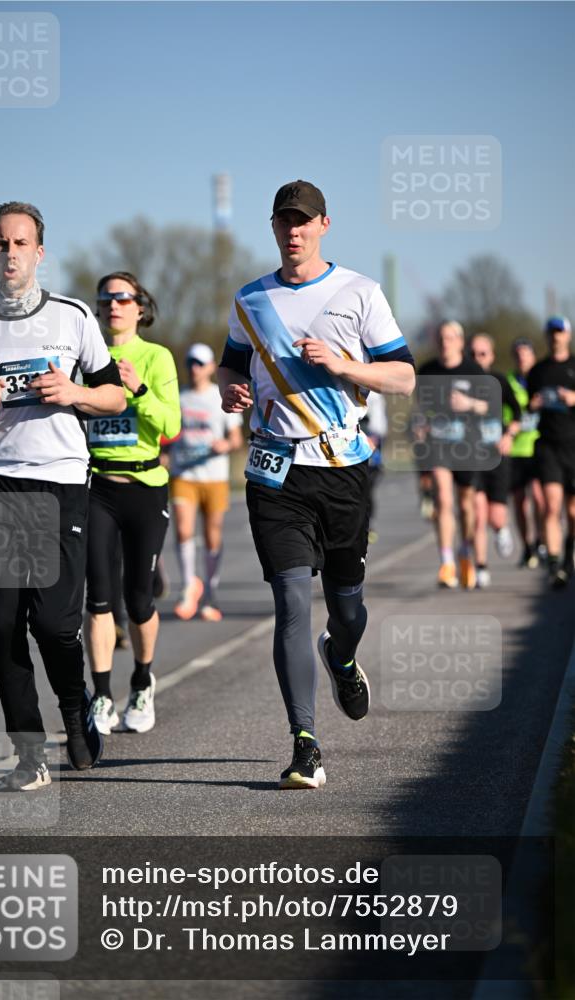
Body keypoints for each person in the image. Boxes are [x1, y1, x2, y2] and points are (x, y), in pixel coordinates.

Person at [218, 180, 415, 789]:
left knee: (347, 606)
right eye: (284, 221)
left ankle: (343, 653)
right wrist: (231, 387)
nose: (293, 231)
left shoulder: (359, 291)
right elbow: (231, 361)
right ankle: (305, 742)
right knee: (290, 601)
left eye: (303, 221)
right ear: (273, 226)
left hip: (343, 470)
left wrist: (344, 365)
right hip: (275, 471)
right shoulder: (251, 299)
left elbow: (404, 376)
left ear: (324, 224)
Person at [0, 201, 126, 790]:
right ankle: (28, 752)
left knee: (55, 623)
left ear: (39, 252)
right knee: (1, 628)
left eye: (21, 243)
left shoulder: (71, 318)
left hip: (60, 481)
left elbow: (116, 399)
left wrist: (73, 392)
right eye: (0, 244)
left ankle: (75, 709)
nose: (10, 253)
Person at [84, 271, 181, 735]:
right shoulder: (86, 356)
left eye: (123, 298)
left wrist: (138, 389)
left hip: (145, 486)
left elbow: (173, 426)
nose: (113, 306)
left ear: (141, 307)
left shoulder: (156, 357)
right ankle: (101, 694)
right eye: (105, 300)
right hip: (96, 487)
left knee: (138, 599)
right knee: (98, 597)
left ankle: (142, 680)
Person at [168, 342, 244, 621]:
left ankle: (210, 593)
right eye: (190, 362)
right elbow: (170, 434)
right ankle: (189, 585)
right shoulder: (179, 397)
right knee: (183, 529)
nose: (194, 368)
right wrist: (165, 455)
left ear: (212, 367)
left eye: (200, 363)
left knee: (212, 536)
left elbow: (236, 438)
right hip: (184, 474)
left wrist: (225, 445)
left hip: (214, 476)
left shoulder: (220, 397)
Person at [415, 321, 488, 590]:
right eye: (441, 338)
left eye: (450, 338)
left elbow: (490, 407)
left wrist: (469, 403)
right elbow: (420, 409)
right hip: (439, 446)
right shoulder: (428, 371)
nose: (445, 342)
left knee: (466, 506)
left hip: (467, 445)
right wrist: (420, 425)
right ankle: (447, 563)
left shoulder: (473, 370)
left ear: (459, 341)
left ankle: (466, 551)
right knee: (443, 500)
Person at [469, 333, 521, 588]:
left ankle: (501, 530)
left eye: (482, 354)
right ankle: (481, 566)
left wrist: (509, 435)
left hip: (497, 455)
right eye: (473, 354)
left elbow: (518, 412)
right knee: (478, 515)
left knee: (495, 517)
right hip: (472, 457)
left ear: (491, 356)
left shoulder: (499, 381)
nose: (477, 359)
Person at [526, 316, 575, 589]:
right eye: (551, 332)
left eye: (560, 332)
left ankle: (569, 556)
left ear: (567, 335)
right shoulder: (538, 371)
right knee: (551, 505)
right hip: (548, 445)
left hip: (573, 444)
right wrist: (532, 406)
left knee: (572, 512)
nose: (555, 336)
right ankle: (555, 565)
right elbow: (528, 409)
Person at [507, 338, 544, 568]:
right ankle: (527, 546)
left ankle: (541, 540)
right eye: (518, 355)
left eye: (526, 354)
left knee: (540, 498)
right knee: (520, 502)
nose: (523, 359)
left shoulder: (542, 378)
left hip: (539, 445)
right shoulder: (508, 382)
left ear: (533, 356)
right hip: (517, 448)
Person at [359, 390, 387, 544]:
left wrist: (375, 438)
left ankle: (369, 525)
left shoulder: (375, 393)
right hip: (354, 438)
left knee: (368, 486)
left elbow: (380, 422)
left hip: (372, 440)